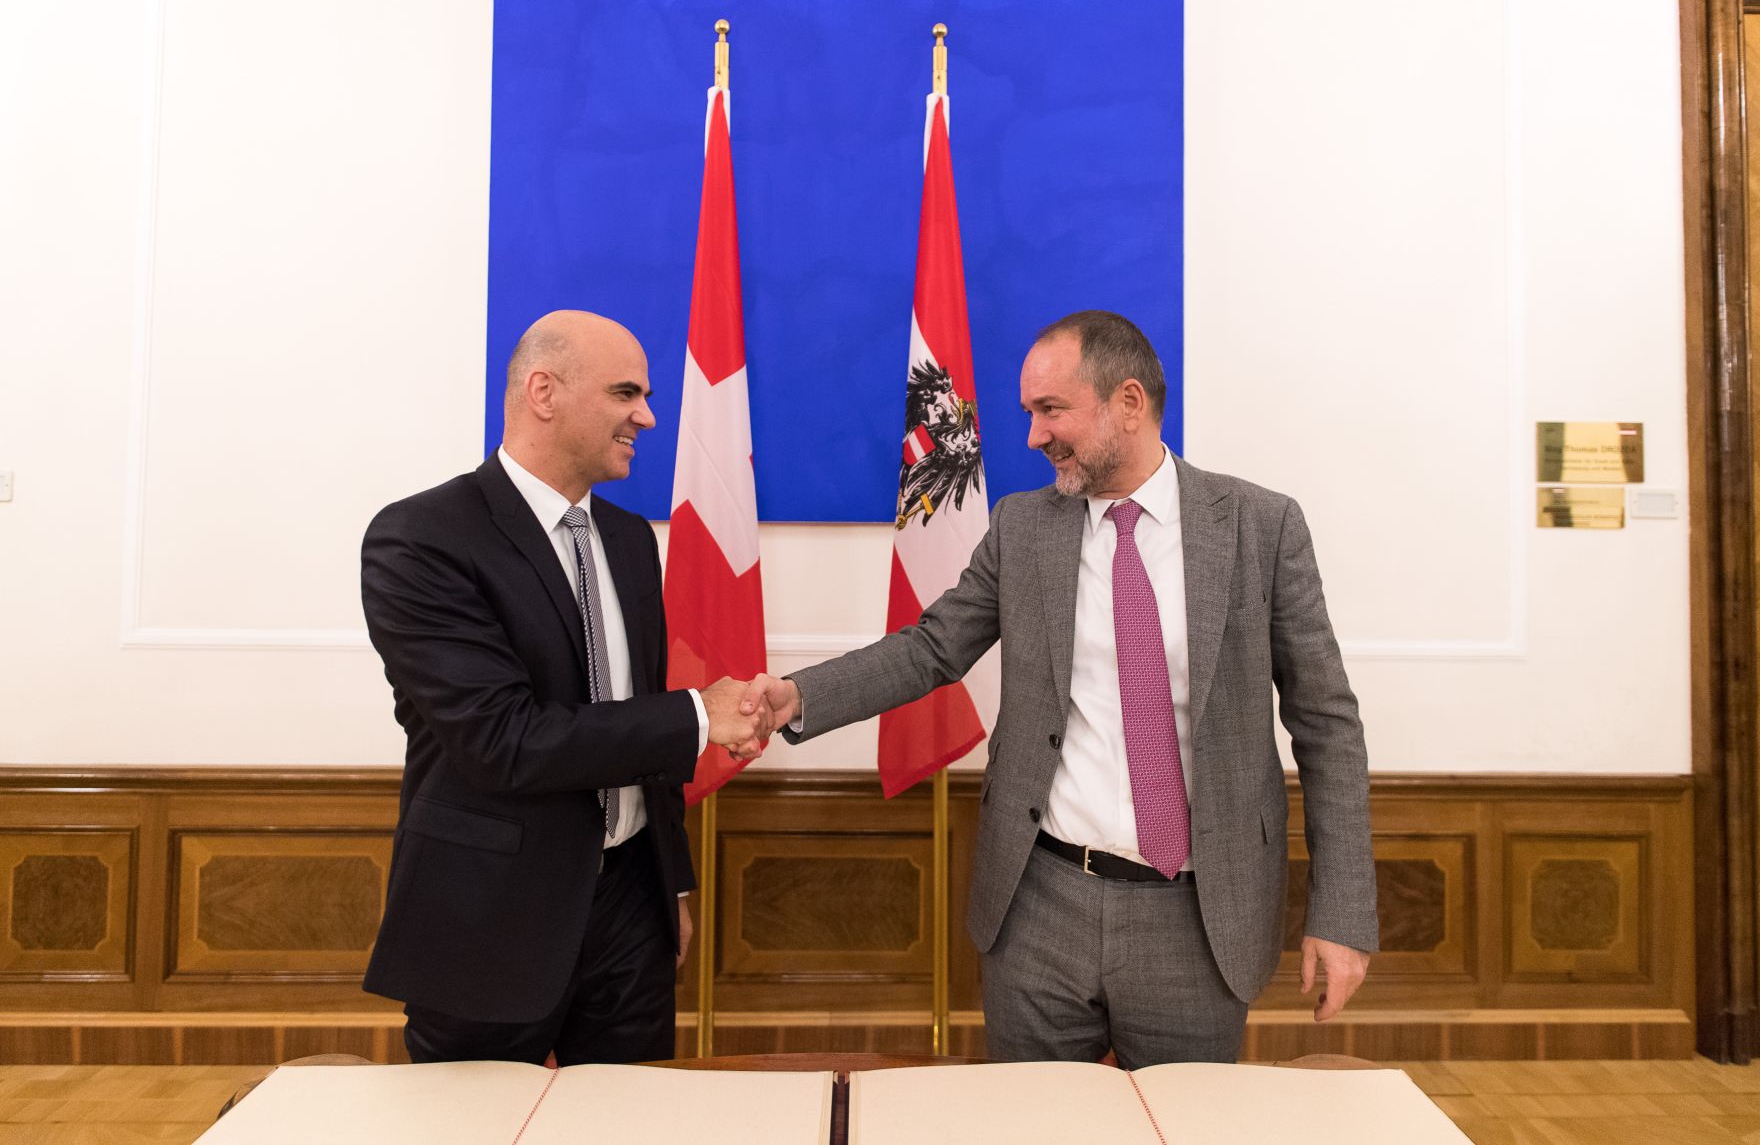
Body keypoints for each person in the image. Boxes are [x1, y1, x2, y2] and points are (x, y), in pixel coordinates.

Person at [744, 310, 1377, 1066]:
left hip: (1198, 920)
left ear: (1128, 403)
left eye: (1050, 410)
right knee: (1033, 1118)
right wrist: (798, 696)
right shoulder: (1023, 527)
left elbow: (1326, 723)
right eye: (1029, 413)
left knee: (1181, 1119)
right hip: (1040, 907)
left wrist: (1341, 911)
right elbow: (932, 648)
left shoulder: (1259, 527)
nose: (1032, 436)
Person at [360, 310, 769, 1065]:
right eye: (625, 393)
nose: (647, 416)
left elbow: (640, 731)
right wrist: (697, 715)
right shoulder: (422, 538)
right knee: (478, 1121)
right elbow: (503, 741)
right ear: (543, 392)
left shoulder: (629, 540)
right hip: (489, 919)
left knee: (628, 1117)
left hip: (632, 916)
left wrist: (671, 888)